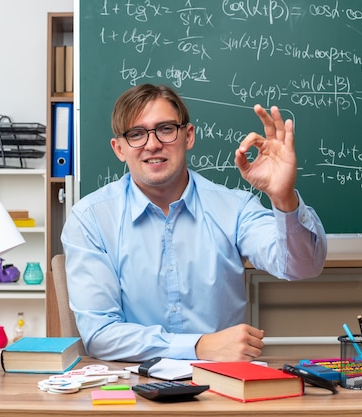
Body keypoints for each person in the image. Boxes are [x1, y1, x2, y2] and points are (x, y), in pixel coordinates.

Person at [61, 84, 327, 362]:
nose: (152, 144)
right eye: (137, 134)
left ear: (188, 136)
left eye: (165, 129)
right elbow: (100, 335)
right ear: (119, 149)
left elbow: (302, 267)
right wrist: (199, 346)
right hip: (134, 390)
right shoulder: (90, 218)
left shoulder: (235, 208)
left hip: (223, 388)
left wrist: (283, 197)